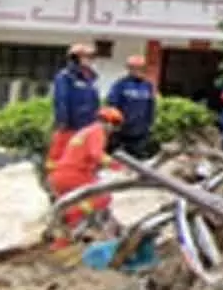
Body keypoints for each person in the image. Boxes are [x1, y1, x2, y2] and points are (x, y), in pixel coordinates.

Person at [47, 107, 124, 249]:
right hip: (75, 174)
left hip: (59, 175)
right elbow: (96, 154)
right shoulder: (98, 131)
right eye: (116, 126)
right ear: (109, 122)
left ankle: (61, 243)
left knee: (70, 205)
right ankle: (70, 215)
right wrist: (119, 166)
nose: (114, 130)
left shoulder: (85, 131)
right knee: (103, 197)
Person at [48, 43, 100, 170]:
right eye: (87, 57)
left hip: (87, 126)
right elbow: (61, 100)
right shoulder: (65, 76)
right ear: (76, 58)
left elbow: (94, 102)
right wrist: (63, 123)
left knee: (81, 158)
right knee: (61, 156)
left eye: (92, 57)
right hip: (70, 126)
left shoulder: (91, 78)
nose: (91, 60)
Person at [106, 55, 157, 158]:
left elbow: (151, 107)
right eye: (135, 67)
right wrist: (115, 126)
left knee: (136, 162)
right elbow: (112, 106)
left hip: (140, 133)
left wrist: (149, 125)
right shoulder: (120, 84)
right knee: (118, 161)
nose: (139, 70)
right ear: (129, 69)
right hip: (121, 132)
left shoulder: (148, 85)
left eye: (141, 68)